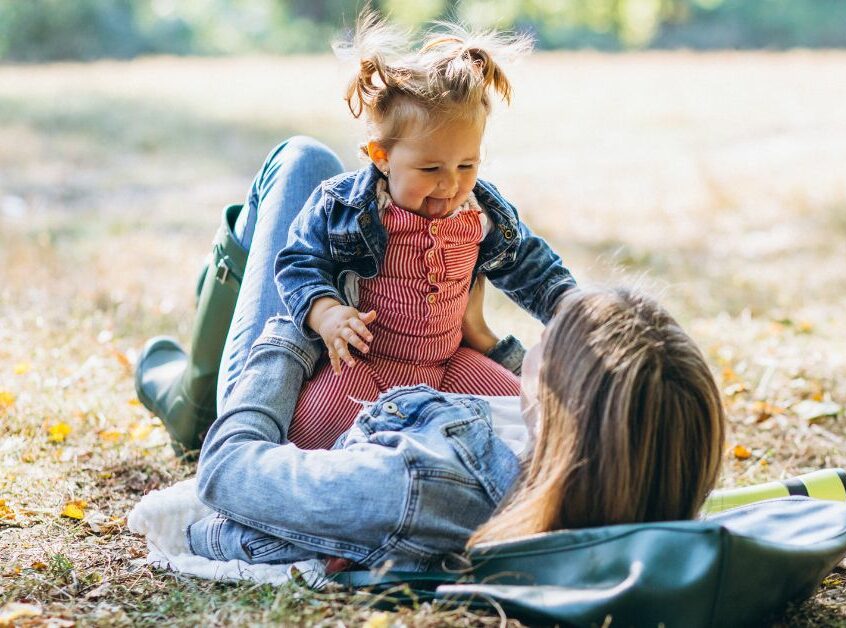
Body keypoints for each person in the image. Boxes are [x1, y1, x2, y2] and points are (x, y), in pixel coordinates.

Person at [187, 286, 726, 571]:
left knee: (301, 162)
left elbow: (227, 471)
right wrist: (488, 341)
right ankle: (177, 384)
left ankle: (191, 393)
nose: (536, 341)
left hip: (284, 393)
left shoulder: (415, 485)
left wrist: (296, 325)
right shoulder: (632, 465)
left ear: (560, 394)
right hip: (364, 370)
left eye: (551, 337)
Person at [274, 14, 576, 449]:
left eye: (467, 165)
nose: (450, 183)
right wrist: (325, 313)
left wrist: (578, 312)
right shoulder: (345, 206)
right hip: (366, 364)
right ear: (381, 156)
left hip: (448, 364)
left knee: (538, 424)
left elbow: (533, 267)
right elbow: (299, 262)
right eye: (430, 168)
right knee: (308, 437)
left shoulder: (481, 212)